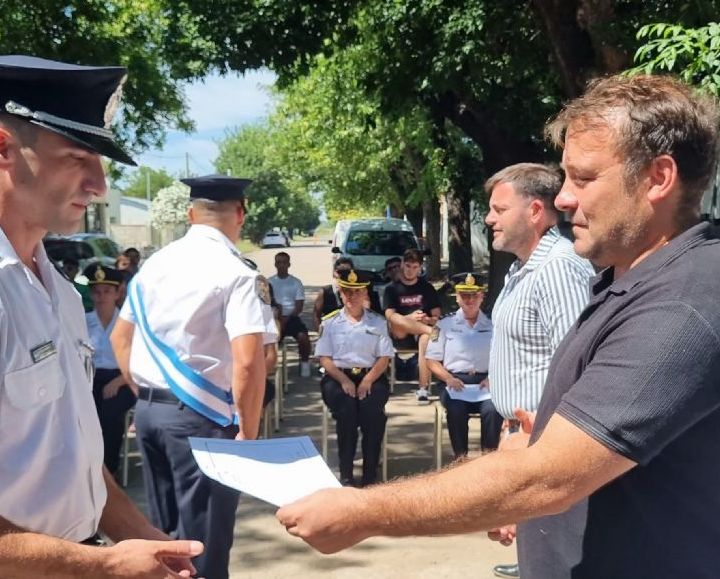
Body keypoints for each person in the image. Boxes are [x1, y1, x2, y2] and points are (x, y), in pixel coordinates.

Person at [275, 73, 720, 579]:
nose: (565, 199)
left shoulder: (682, 305)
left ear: (658, 179)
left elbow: (547, 479)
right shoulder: (630, 278)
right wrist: (537, 447)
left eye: (585, 178)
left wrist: (363, 512)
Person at [0, 54, 201, 578]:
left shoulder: (58, 290)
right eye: (78, 158)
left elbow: (72, 457)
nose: (100, 186)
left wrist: (144, 538)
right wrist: (98, 565)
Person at [111, 174, 275, 579]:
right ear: (241, 213)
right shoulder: (237, 271)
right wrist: (248, 433)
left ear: (189, 214)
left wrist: (144, 391)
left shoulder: (153, 265)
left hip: (150, 414)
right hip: (204, 419)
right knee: (205, 546)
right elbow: (249, 362)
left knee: (163, 540)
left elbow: (120, 338)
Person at [483, 162, 594, 578]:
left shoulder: (558, 267)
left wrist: (533, 456)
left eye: (499, 209)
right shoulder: (523, 269)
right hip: (523, 437)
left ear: (534, 212)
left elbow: (577, 371)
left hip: (545, 444)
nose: (489, 218)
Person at [315, 269, 394, 487]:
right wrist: (344, 380)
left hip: (372, 375)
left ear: (365, 293)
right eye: (347, 292)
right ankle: (347, 474)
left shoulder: (377, 322)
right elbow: (324, 359)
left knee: (372, 414)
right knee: (347, 412)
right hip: (338, 377)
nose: (352, 297)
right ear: (340, 293)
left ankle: (370, 474)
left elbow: (384, 358)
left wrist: (368, 381)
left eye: (357, 292)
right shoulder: (330, 323)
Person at [426, 273, 501, 462]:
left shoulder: (495, 325)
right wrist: (448, 378)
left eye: (474, 295)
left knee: (493, 410)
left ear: (482, 296)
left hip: (485, 383)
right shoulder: (443, 325)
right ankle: (461, 460)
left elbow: (503, 358)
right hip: (454, 382)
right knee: (456, 410)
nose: (470, 300)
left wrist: (493, 378)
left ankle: (488, 459)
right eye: (465, 295)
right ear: (457, 297)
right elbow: (431, 360)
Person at [84, 264, 137, 477]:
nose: (101, 296)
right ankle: (89, 468)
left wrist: (119, 382)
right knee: (85, 415)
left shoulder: (128, 323)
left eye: (107, 291)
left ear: (117, 293)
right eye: (97, 291)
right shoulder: (83, 321)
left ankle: (109, 469)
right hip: (90, 377)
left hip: (121, 379)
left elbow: (138, 360)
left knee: (110, 415)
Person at [382, 248, 442, 402]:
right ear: (402, 264)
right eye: (408, 266)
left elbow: (437, 315)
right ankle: (429, 331)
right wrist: (410, 318)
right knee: (396, 320)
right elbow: (389, 315)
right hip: (399, 332)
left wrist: (427, 320)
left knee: (425, 340)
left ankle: (423, 389)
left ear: (420, 268)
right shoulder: (392, 289)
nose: (410, 271)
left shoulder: (426, 288)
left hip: (422, 331)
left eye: (415, 267)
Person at [269, 251, 313, 377]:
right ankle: (269, 365)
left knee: (303, 337)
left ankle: (305, 363)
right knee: (268, 341)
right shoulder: (269, 282)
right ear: (275, 264)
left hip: (292, 318)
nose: (281, 265)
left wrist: (287, 317)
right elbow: (266, 304)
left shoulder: (296, 282)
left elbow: (299, 306)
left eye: (284, 262)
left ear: (289, 264)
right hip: (274, 319)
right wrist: (278, 317)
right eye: (278, 262)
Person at [313, 257, 381, 329]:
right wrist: (321, 331)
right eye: (339, 271)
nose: (342, 274)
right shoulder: (325, 291)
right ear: (334, 273)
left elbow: (367, 312)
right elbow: (316, 315)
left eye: (346, 271)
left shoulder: (362, 291)